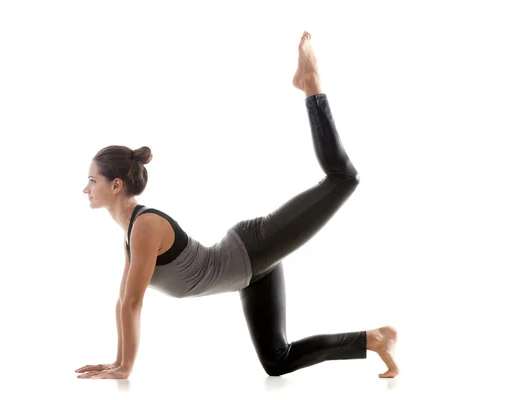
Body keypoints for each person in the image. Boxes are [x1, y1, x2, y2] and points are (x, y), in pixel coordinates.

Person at [76, 31, 398, 380]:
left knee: (343, 179)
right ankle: (376, 340)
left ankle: (311, 85)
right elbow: (124, 302)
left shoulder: (146, 226)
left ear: (116, 184)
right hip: (249, 273)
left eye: (92, 181)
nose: (86, 189)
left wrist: (125, 368)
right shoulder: (130, 231)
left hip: (252, 249)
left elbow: (134, 303)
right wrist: (117, 360)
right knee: (277, 360)